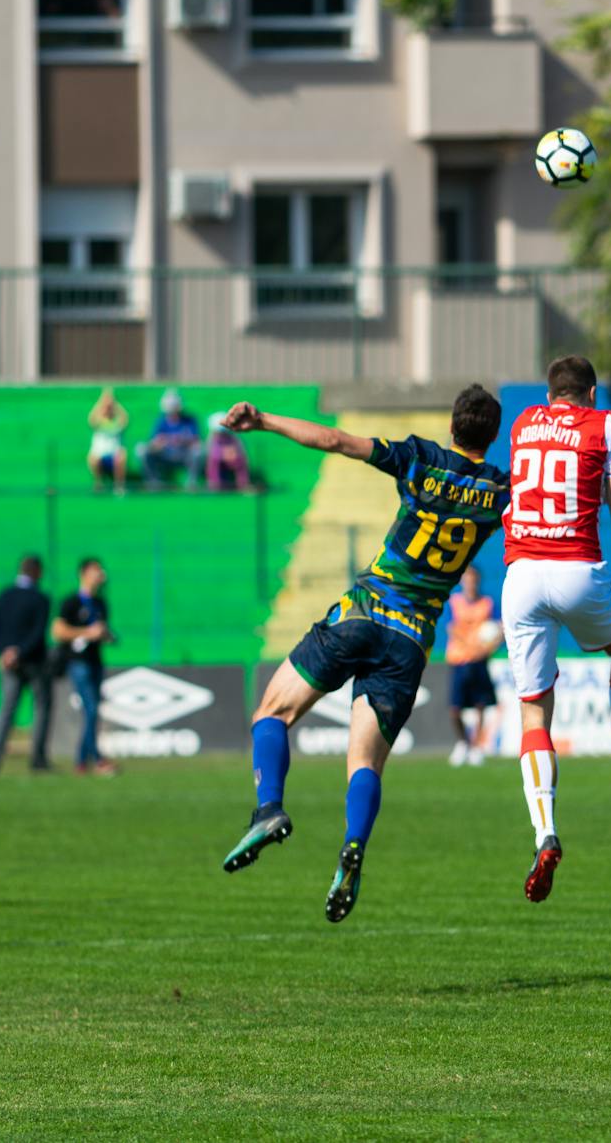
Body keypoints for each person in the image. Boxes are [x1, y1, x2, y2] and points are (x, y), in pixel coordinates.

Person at [219, 385, 508, 924]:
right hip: (411, 640)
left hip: (364, 613)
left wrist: (264, 421)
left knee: (272, 713)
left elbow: (335, 441)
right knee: (365, 762)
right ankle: (353, 846)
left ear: (452, 426)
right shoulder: (500, 491)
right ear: (492, 437)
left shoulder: (422, 459)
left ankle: (269, 808)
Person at [501, 354, 611, 905]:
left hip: (521, 575)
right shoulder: (605, 422)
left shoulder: (523, 423)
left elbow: (552, 474)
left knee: (534, 710)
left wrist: (609, 484)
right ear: (591, 392)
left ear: (550, 395)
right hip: (575, 568)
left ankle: (544, 830)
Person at [0, 555, 55, 775]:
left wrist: (5, 652)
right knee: (41, 707)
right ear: (37, 572)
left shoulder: (2, 596)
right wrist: (20, 651)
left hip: (8, 663)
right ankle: (38, 758)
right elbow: (38, 632)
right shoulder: (41, 599)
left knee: (6, 709)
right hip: (34, 662)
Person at [52, 558, 116, 777]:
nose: (100, 575)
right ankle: (96, 759)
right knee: (91, 708)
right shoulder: (71, 602)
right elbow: (58, 631)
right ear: (84, 573)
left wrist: (106, 635)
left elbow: (103, 631)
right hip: (77, 662)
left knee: (92, 710)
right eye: (96, 570)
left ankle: (82, 761)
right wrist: (87, 633)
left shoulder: (100, 603)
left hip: (95, 661)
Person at [441, 565, 501, 767]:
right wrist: (471, 646)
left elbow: (499, 629)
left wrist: (488, 648)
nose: (471, 583)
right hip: (459, 659)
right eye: (467, 579)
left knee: (480, 705)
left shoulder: (488, 603)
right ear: (462, 581)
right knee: (455, 708)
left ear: (478, 580)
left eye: (474, 579)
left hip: (480, 660)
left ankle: (476, 747)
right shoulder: (454, 602)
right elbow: (451, 629)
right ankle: (462, 743)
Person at [137, 388, 205, 489]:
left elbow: (197, 441)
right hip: (165, 454)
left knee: (198, 452)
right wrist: (160, 443)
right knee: (142, 450)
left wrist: (183, 440)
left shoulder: (190, 420)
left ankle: (192, 484)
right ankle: (153, 483)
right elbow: (154, 442)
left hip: (184, 454)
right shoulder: (160, 421)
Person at [87, 388, 130, 495]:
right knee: (92, 458)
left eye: (110, 406)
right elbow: (90, 420)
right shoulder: (98, 422)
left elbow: (126, 419)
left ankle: (119, 487)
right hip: (99, 454)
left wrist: (116, 404)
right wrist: (100, 403)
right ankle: (98, 485)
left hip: (114, 454)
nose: (108, 408)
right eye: (106, 406)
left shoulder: (117, 422)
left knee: (122, 455)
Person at [204, 412, 251, 492]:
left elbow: (240, 449)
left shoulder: (233, 437)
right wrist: (223, 454)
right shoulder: (212, 438)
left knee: (241, 460)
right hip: (218, 460)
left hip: (232, 459)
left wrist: (233, 454)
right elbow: (211, 450)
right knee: (213, 461)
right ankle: (214, 484)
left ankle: (243, 484)